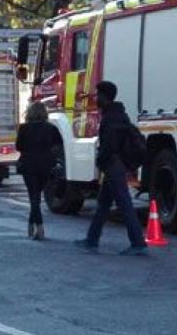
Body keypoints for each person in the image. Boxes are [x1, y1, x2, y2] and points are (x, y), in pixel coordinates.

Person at [75, 81, 148, 256]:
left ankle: (138, 242)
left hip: (113, 165)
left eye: (98, 94)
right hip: (116, 164)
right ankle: (92, 239)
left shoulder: (110, 118)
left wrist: (100, 162)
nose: (96, 97)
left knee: (124, 203)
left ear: (105, 97)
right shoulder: (119, 114)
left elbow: (109, 146)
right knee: (103, 204)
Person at [15, 101, 62, 240]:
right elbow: (58, 146)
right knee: (36, 196)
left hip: (28, 165)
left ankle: (39, 226)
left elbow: (19, 147)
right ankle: (31, 224)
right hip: (46, 166)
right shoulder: (51, 128)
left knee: (33, 197)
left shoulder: (24, 128)